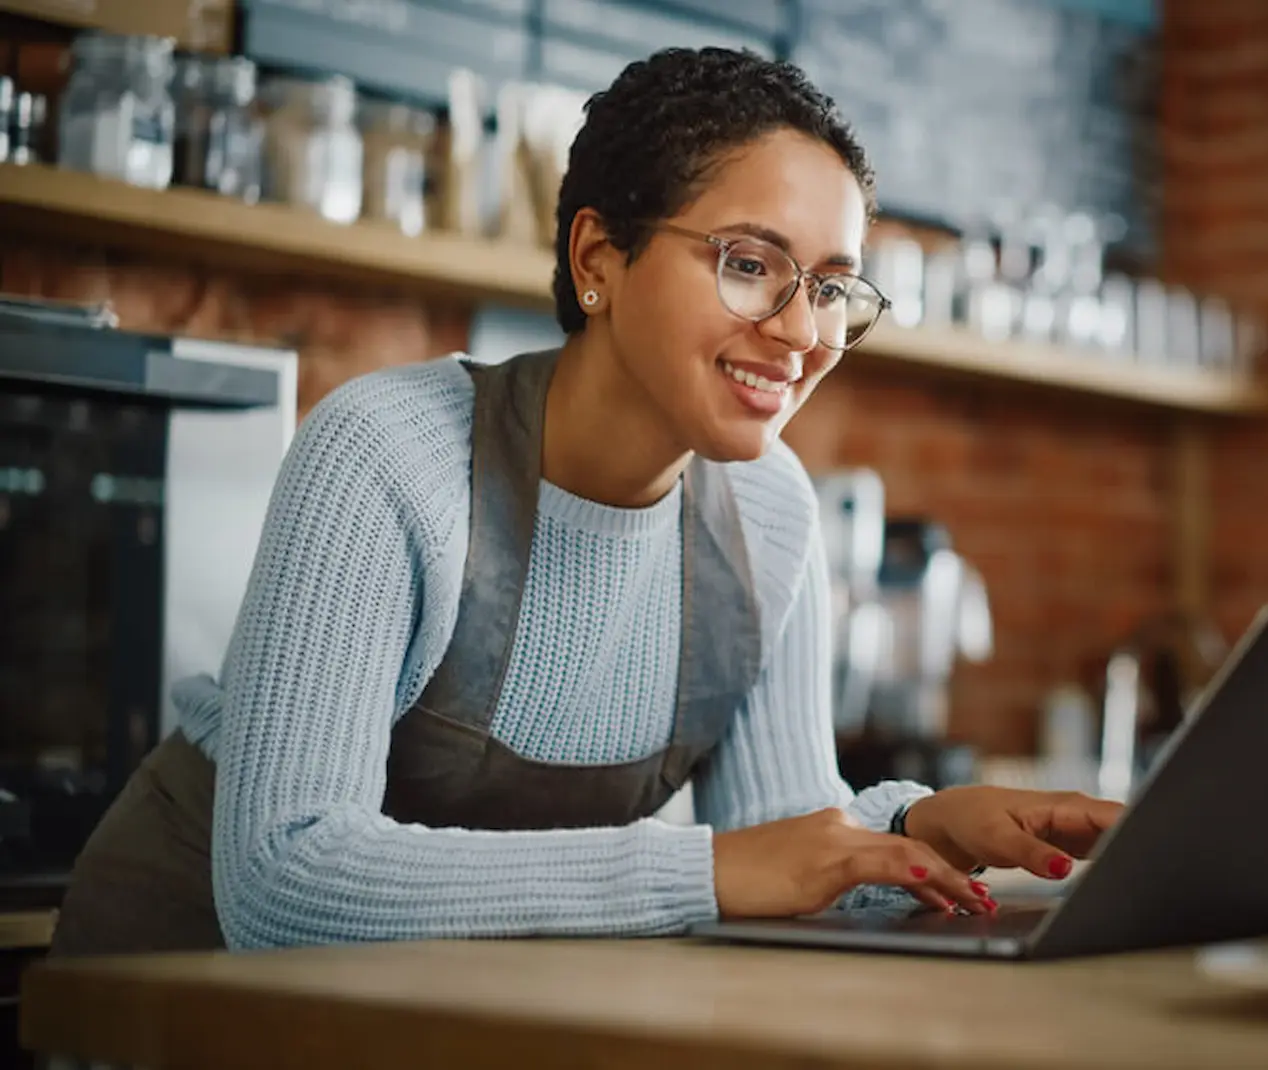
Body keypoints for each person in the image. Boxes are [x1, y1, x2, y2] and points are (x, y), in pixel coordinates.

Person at [49, 46, 1123, 956]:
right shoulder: (386, 455)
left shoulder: (772, 510)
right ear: (598, 255)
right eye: (751, 264)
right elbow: (284, 885)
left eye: (834, 287)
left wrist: (931, 827)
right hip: (175, 1000)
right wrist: (704, 867)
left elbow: (775, 843)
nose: (803, 333)